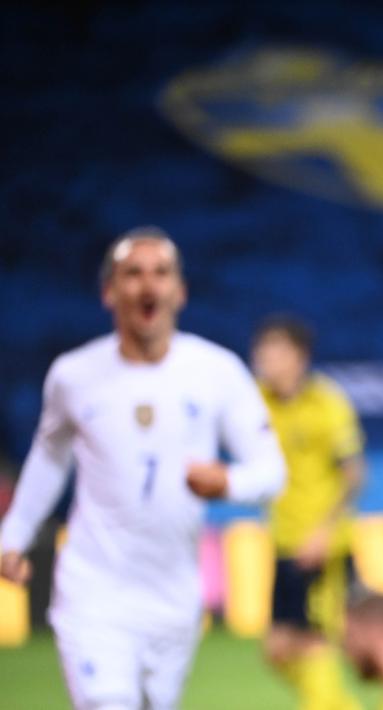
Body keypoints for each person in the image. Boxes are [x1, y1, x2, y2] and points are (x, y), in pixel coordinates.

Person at [0, 227, 286, 709]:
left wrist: (229, 482)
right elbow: (49, 459)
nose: (148, 284)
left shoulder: (217, 371)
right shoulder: (74, 375)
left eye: (161, 273)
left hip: (174, 600)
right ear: (109, 292)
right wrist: (13, 535)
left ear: (180, 291)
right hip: (94, 593)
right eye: (133, 274)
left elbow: (272, 471)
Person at [252, 315, 366, 710]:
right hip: (284, 539)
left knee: (316, 643)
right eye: (263, 351)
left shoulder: (327, 402)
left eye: (276, 351)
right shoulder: (255, 402)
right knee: (277, 650)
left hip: (323, 545)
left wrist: (324, 531)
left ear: (299, 357)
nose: (266, 359)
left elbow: (354, 474)